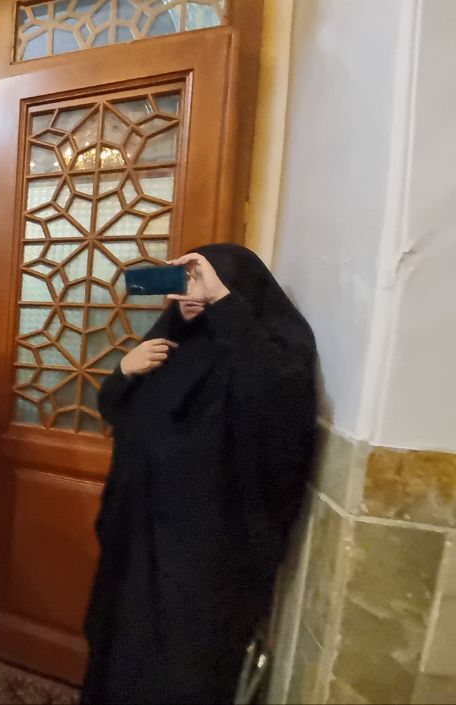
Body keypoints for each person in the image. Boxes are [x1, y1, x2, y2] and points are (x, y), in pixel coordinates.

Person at [81, 244, 317, 704]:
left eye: (200, 283)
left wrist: (223, 304)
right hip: (137, 537)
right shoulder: (172, 341)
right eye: (183, 284)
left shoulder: (263, 355)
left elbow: (277, 410)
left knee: (182, 672)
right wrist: (124, 371)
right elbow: (116, 411)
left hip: (204, 557)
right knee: (118, 652)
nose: (188, 295)